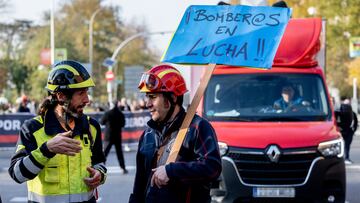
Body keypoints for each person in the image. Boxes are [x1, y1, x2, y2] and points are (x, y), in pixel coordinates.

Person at [8, 60, 107, 203]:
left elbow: (99, 162)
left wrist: (100, 174)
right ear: (60, 96)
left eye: (87, 92)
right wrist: (46, 150)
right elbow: (17, 174)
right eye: (81, 93)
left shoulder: (92, 126)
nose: (87, 100)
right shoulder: (32, 129)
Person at [129, 64, 222, 203]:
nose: (147, 103)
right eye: (147, 97)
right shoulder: (147, 135)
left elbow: (212, 167)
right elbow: (140, 184)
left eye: (153, 97)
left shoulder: (198, 127)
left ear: (172, 98)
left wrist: (172, 171)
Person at [101, 101, 127, 174]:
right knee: (119, 153)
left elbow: (102, 122)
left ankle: (101, 167)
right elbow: (123, 124)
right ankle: (123, 168)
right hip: (117, 136)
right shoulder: (120, 113)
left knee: (105, 152)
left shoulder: (107, 113)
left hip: (108, 136)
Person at [335, 98, 358, 164]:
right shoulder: (339, 113)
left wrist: (353, 131)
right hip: (341, 132)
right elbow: (336, 122)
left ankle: (346, 158)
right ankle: (339, 159)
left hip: (349, 132)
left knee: (347, 146)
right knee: (339, 146)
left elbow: (355, 122)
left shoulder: (353, 114)